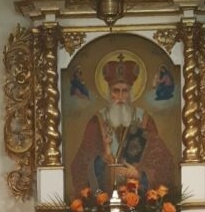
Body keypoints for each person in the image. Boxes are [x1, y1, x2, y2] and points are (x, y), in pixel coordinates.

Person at [70, 55, 175, 198]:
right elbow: (80, 166)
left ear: (130, 93)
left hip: (138, 200)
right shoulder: (97, 122)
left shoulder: (144, 121)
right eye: (116, 91)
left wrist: (140, 174)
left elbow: (163, 163)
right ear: (109, 93)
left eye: (124, 91)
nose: (120, 97)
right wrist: (103, 159)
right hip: (103, 200)